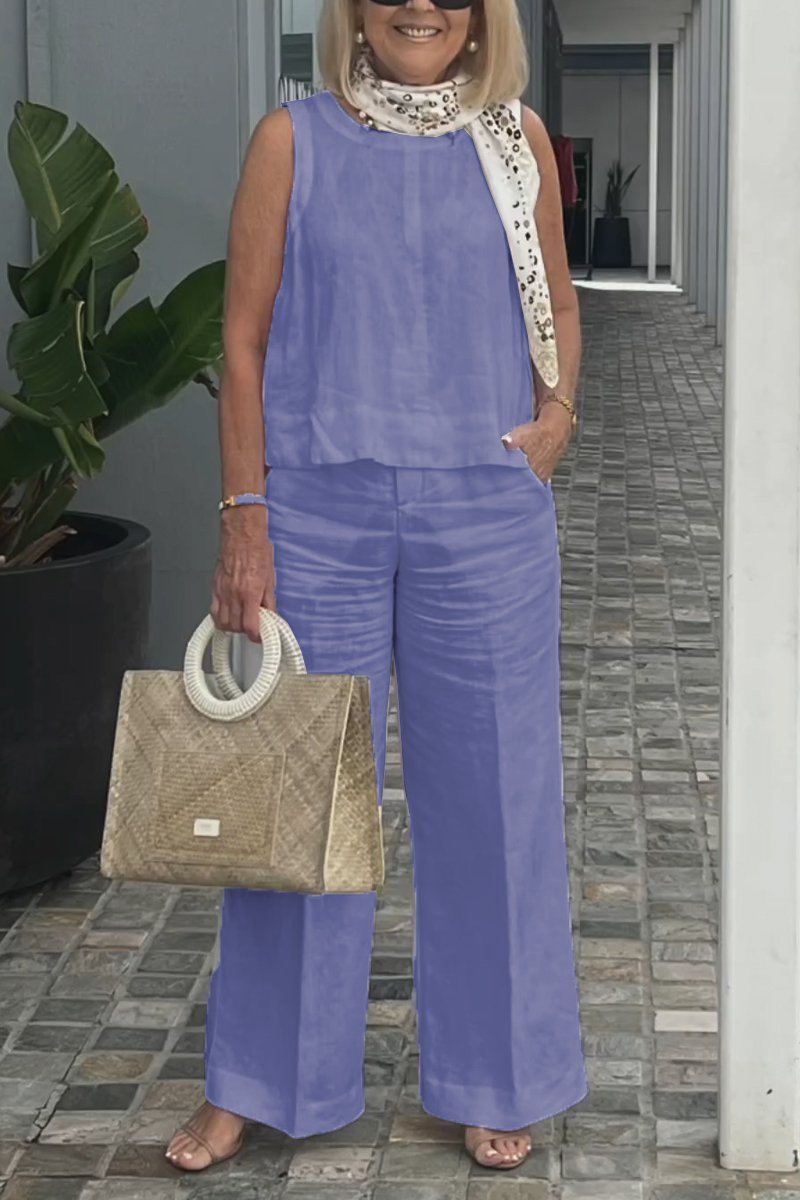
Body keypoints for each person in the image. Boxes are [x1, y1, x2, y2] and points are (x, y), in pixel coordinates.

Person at [166, 0, 588, 1174]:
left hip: (483, 511)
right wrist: (244, 515)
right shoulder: (289, 141)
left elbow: (555, 301)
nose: (420, 6)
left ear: (480, 15)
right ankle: (259, 1078)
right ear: (352, 9)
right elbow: (241, 341)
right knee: (298, 804)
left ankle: (498, 1073)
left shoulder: (514, 139)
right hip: (316, 513)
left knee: (496, 800)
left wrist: (556, 416)